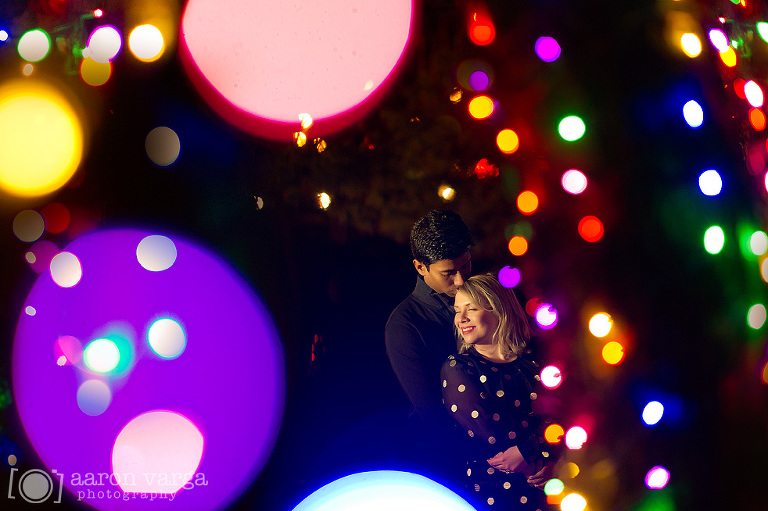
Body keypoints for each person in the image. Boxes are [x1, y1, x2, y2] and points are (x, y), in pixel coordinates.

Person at [441, 274, 554, 510]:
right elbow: (494, 440)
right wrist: (538, 449)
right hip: (495, 493)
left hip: (553, 485)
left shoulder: (537, 360)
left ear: (498, 310)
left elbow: (566, 417)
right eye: (457, 310)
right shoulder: (459, 368)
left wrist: (551, 458)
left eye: (470, 309)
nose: (460, 319)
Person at [384, 209, 473, 481]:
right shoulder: (404, 325)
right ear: (420, 267)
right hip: (451, 464)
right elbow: (431, 413)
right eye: (449, 273)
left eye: (466, 265)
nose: (461, 280)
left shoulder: (486, 297)